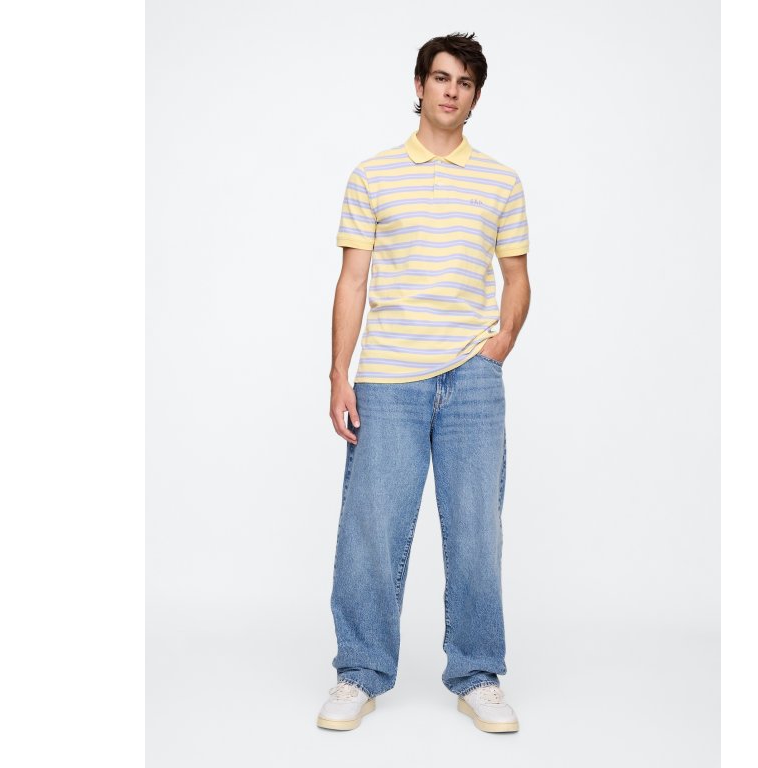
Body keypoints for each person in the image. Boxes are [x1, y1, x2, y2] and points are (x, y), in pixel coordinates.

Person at [318, 32, 531, 734]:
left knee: (476, 532)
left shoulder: (500, 182)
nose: (451, 91)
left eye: (464, 82)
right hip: (387, 380)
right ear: (419, 85)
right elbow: (353, 280)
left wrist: (498, 347)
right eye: (441, 78)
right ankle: (359, 671)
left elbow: (517, 277)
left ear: (475, 96)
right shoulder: (372, 176)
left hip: (472, 380)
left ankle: (478, 675)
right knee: (372, 530)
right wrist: (339, 374)